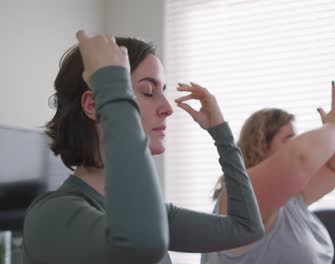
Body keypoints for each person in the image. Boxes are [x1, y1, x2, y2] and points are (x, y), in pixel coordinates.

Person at [22, 31, 264, 264]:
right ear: (94, 105)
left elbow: (247, 228)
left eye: (163, 91)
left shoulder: (152, 215)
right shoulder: (51, 216)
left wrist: (220, 133)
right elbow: (139, 245)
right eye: (148, 91)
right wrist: (112, 86)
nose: (168, 108)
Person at [202, 78, 335, 263]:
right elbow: (299, 158)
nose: (295, 143)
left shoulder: (292, 199)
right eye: (288, 139)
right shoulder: (242, 195)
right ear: (260, 146)